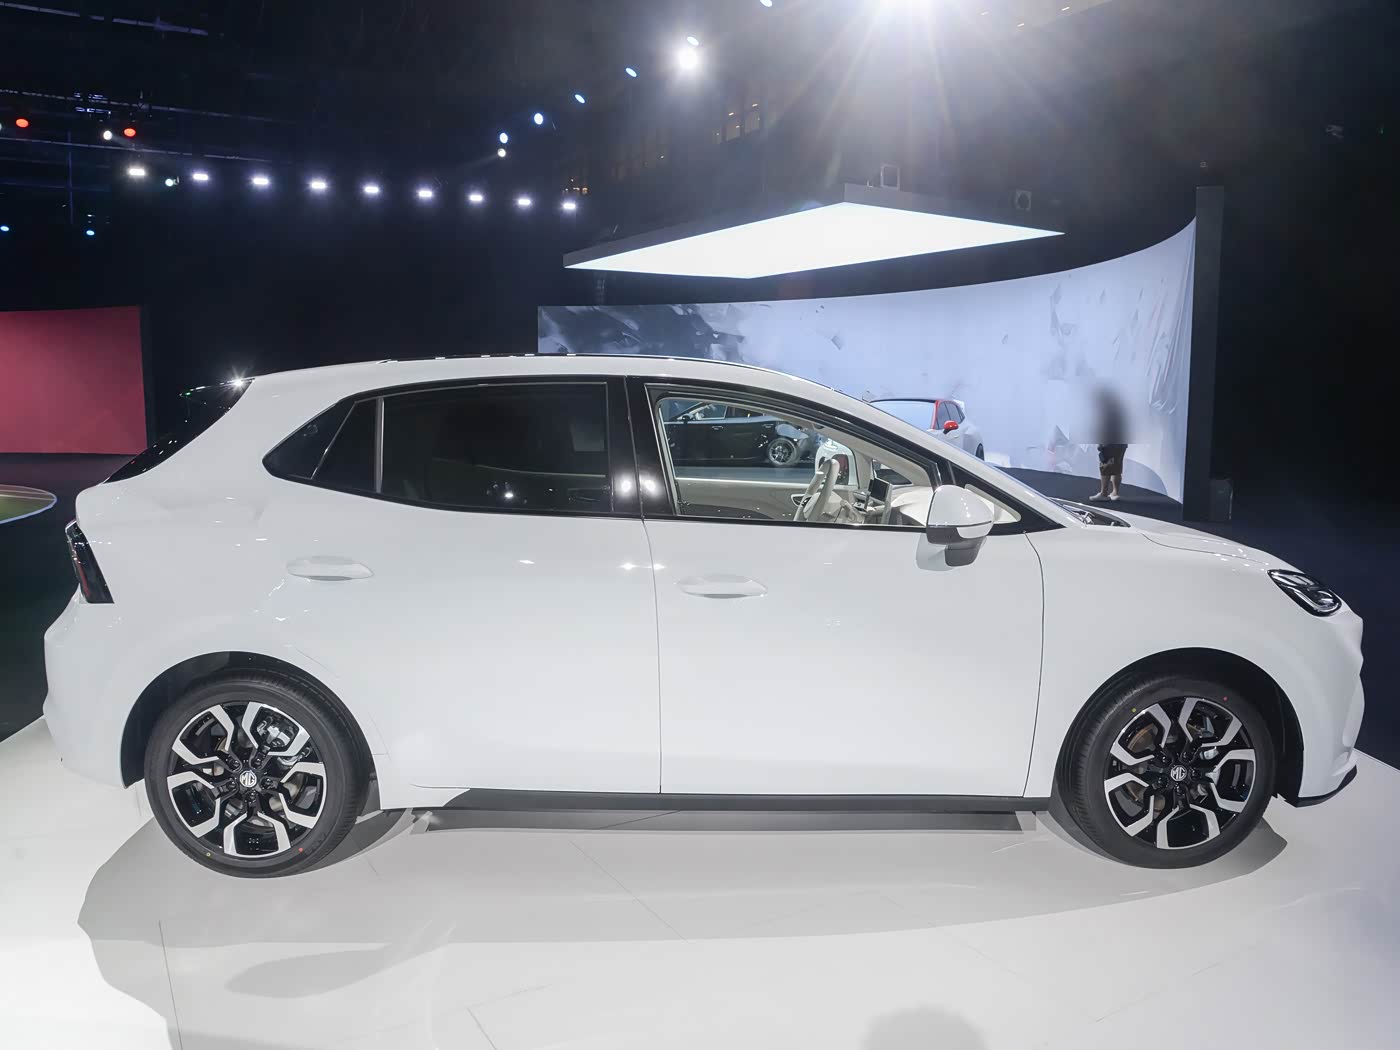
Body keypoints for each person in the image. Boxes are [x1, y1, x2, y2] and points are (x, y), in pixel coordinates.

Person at [1090, 387, 1128, 502]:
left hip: (1110, 444)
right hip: (1121, 443)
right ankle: (1115, 492)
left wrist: (1101, 444)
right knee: (1117, 468)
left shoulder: (1106, 412)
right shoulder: (1119, 410)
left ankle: (1104, 493)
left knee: (1105, 468)